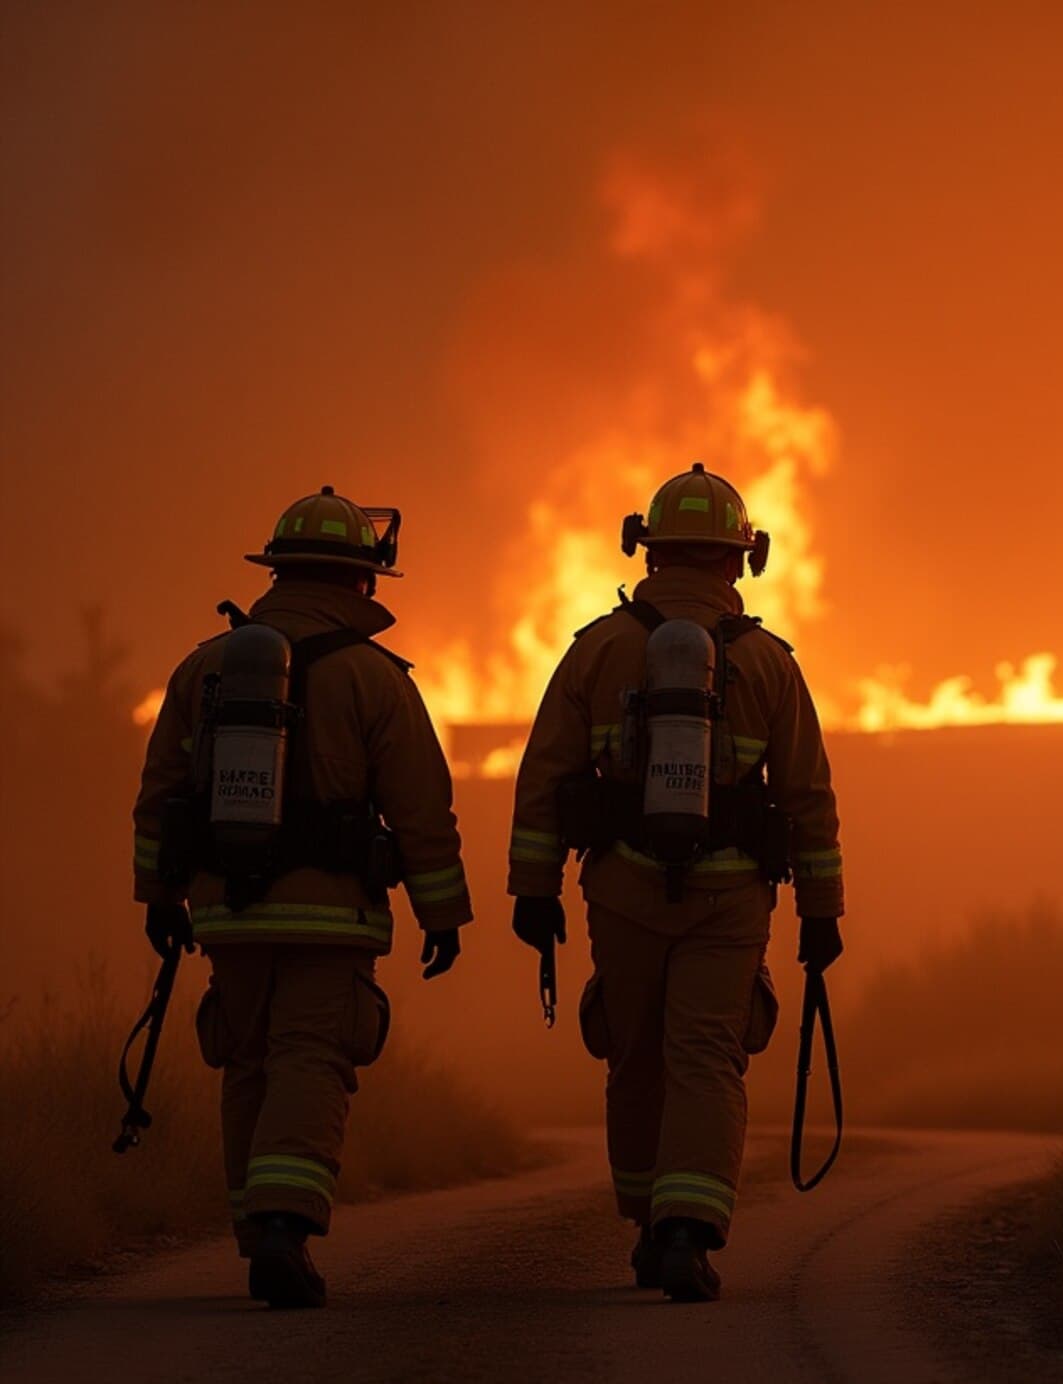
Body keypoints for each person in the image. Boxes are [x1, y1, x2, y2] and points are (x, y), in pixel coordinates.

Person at [508, 463, 844, 1302]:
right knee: (705, 1054)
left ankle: (644, 1218)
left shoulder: (597, 648)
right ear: (741, 557)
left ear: (647, 549)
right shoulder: (769, 663)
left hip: (619, 889)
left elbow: (545, 774)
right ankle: (686, 1233)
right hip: (729, 900)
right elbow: (807, 796)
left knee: (636, 1056)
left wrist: (535, 888)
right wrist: (822, 910)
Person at [131, 487, 472, 1308]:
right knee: (310, 1059)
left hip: (228, 913)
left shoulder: (204, 666)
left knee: (246, 1062)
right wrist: (442, 914)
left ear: (276, 572)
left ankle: (256, 1229)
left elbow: (161, 794)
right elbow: (422, 807)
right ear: (362, 581)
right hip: (331, 914)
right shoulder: (376, 679)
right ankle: (285, 1226)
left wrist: (160, 896)